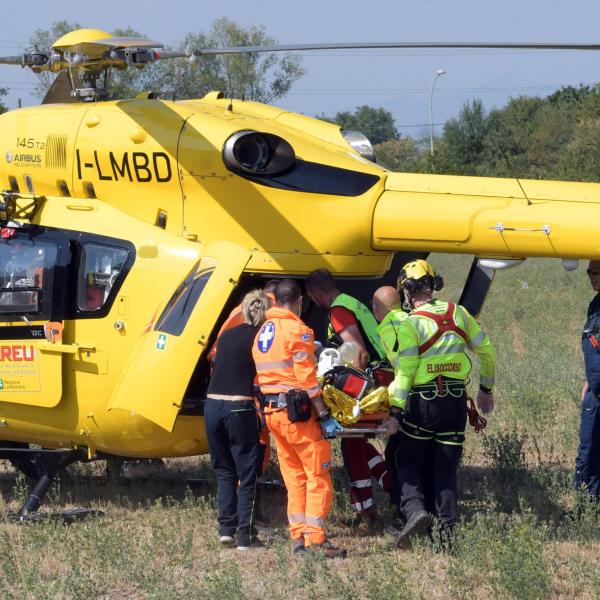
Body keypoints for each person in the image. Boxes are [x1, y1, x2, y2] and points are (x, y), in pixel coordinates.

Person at [388, 259, 496, 548]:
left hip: (424, 404)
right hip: (456, 404)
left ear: (409, 290)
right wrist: (486, 389)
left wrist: (395, 412)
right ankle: (446, 537)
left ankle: (414, 511)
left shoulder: (411, 324)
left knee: (407, 460)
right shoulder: (459, 313)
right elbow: (486, 351)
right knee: (445, 468)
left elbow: (406, 371)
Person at [252, 279, 346, 558]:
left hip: (272, 414)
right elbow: (306, 378)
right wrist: (325, 413)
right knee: (317, 474)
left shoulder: (263, 331)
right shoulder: (298, 330)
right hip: (297, 416)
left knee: (294, 478)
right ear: (299, 301)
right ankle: (316, 539)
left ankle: (298, 538)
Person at [306, 268, 391, 524]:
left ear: (316, 293)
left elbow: (360, 354)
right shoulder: (352, 302)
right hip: (383, 378)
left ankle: (366, 511)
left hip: (368, 386)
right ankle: (387, 489)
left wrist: (352, 391)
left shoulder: (338, 311)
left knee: (352, 444)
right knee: (356, 443)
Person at [204, 290, 271, 551]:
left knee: (224, 471)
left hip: (212, 406)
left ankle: (226, 529)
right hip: (239, 407)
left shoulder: (228, 334)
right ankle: (245, 535)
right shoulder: (262, 337)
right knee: (247, 473)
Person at [371, 286, 409, 516]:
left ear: (377, 310)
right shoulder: (413, 318)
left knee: (397, 454)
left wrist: (395, 411)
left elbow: (403, 369)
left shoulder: (388, 326)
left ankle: (402, 508)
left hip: (409, 395)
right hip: (440, 393)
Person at [574, 259, 600, 500]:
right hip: (595, 392)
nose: (592, 276)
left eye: (597, 272)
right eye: (589, 272)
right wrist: (588, 380)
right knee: (587, 450)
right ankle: (584, 505)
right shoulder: (595, 305)